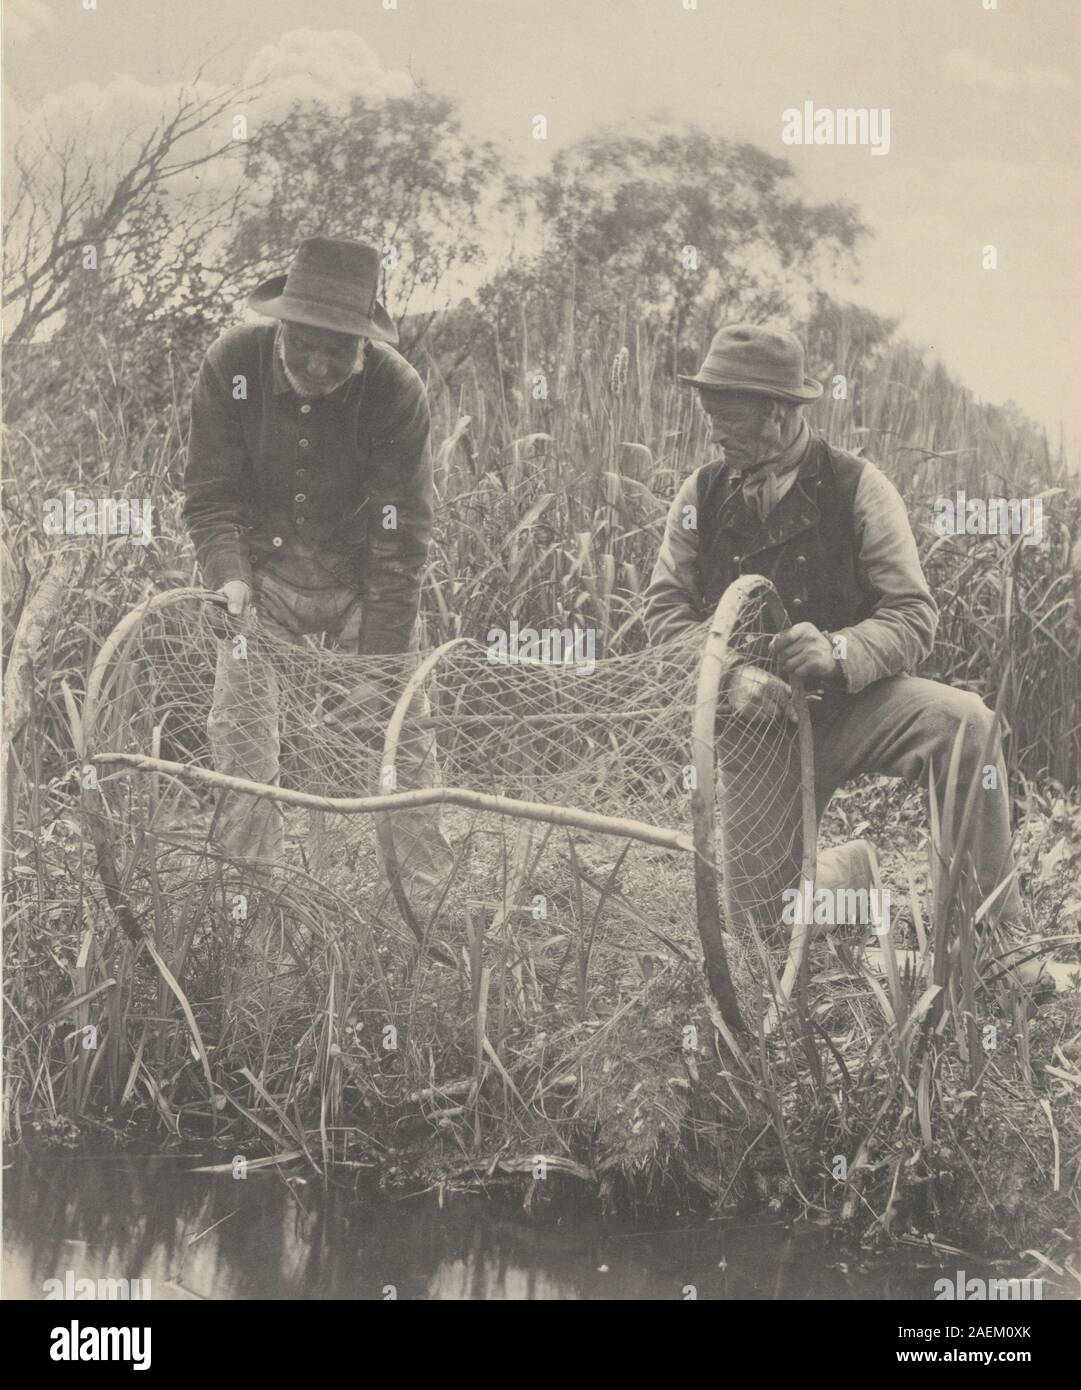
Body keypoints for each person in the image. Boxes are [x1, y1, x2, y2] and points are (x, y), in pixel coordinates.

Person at [644, 323, 1048, 991]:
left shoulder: (859, 487)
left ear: (778, 413)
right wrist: (730, 678)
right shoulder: (699, 496)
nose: (715, 436)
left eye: (729, 421)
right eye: (710, 418)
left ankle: (993, 943)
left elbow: (912, 616)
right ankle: (848, 871)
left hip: (857, 703)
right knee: (761, 939)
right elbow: (661, 617)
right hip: (757, 725)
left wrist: (838, 649)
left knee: (964, 723)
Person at [182, 236, 455, 928]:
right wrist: (230, 580)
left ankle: (424, 915)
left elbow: (402, 537)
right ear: (281, 327)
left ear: (366, 343)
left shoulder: (396, 390)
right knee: (239, 743)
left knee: (404, 742)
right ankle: (247, 910)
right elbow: (212, 499)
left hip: (363, 582)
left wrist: (380, 666)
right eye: (305, 343)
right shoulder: (232, 365)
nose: (319, 363)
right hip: (263, 584)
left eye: (340, 349)